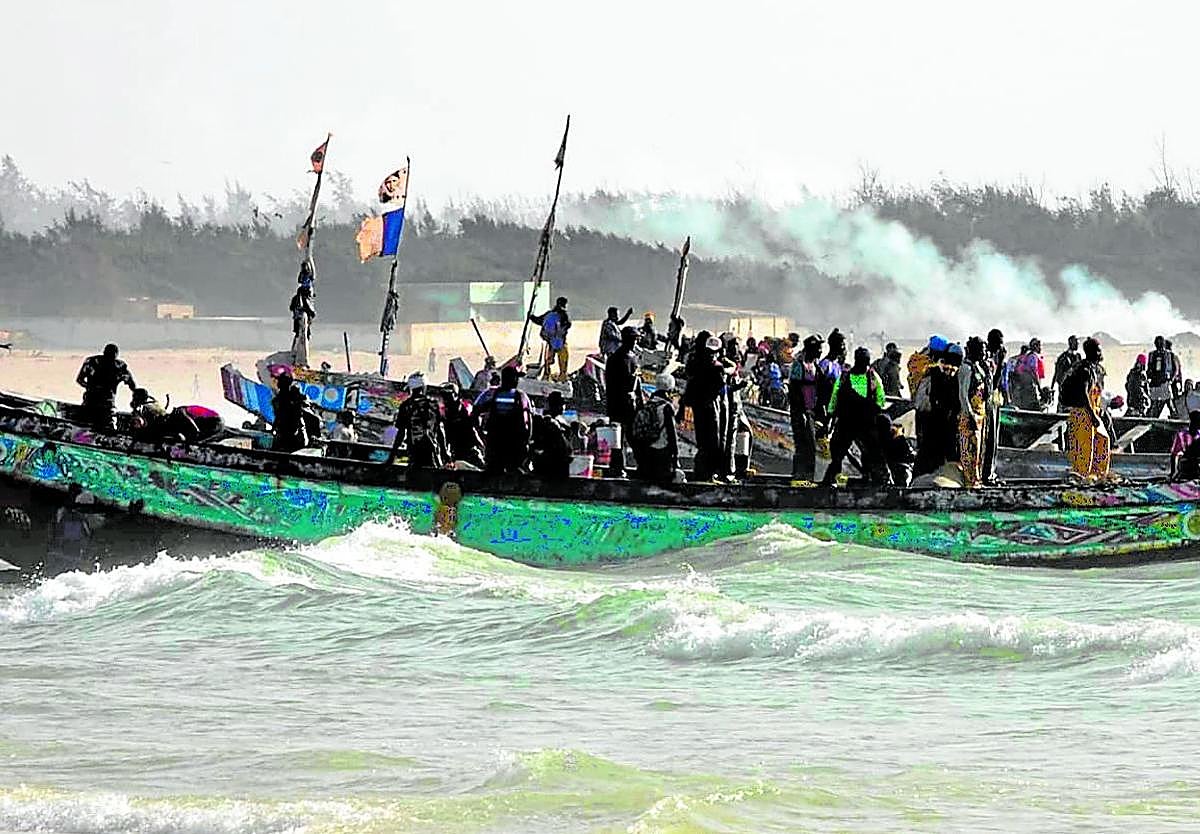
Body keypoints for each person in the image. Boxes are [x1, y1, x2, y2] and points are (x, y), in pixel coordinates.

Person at [821, 347, 886, 486]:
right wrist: (829, 419)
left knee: (870, 452)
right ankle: (830, 482)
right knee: (838, 453)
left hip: (864, 422)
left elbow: (880, 400)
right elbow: (834, 399)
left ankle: (871, 479)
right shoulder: (845, 377)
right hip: (847, 422)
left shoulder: (872, 377)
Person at [1059, 337, 1110, 481]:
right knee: (1084, 450)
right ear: (1093, 352)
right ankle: (1081, 477)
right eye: (1099, 351)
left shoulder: (1091, 368)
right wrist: (1092, 416)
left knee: (1103, 440)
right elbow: (1083, 393)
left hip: (1090, 411)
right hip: (1082, 413)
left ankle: (1098, 476)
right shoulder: (1085, 370)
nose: (1101, 353)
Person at [682, 332, 729, 481]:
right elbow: (722, 389)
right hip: (711, 405)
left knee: (702, 441)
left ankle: (701, 472)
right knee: (713, 440)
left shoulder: (694, 363)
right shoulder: (717, 367)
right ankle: (709, 473)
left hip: (698, 405)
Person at [475, 365, 533, 474]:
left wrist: (481, 433)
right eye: (516, 377)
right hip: (513, 447)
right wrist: (525, 443)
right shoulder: (521, 396)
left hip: (495, 445)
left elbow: (475, 411)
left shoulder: (491, 394)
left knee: (493, 474)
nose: (517, 380)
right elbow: (528, 424)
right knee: (513, 474)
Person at [390, 373, 449, 471]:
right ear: (424, 387)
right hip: (432, 450)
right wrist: (445, 452)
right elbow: (439, 431)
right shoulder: (433, 405)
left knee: (415, 476)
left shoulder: (406, 406)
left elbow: (401, 433)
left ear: (411, 389)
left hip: (414, 452)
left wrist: (392, 456)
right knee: (433, 476)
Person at [630, 373, 681, 484]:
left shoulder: (647, 405)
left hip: (647, 451)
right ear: (670, 390)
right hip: (663, 453)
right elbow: (672, 434)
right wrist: (675, 457)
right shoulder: (666, 407)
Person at [76, 343, 137, 431]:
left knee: (104, 428)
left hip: (105, 404)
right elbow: (80, 379)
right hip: (92, 402)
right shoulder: (93, 362)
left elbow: (132, 385)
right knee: (86, 426)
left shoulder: (119, 367)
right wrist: (91, 388)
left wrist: (137, 396)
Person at [958, 336, 992, 487]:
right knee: (969, 451)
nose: (985, 353)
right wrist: (970, 415)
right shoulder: (966, 369)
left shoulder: (978, 367)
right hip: (970, 416)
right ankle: (969, 482)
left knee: (979, 451)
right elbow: (963, 394)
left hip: (980, 415)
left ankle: (976, 480)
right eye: (982, 350)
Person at [788, 335, 823, 481]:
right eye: (818, 348)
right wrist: (800, 411)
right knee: (802, 444)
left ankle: (808, 477)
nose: (821, 351)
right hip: (800, 411)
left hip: (810, 411)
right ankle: (799, 476)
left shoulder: (816, 366)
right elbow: (794, 390)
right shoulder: (799, 365)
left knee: (811, 446)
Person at [604, 326, 641, 441]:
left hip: (624, 402)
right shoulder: (618, 359)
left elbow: (636, 381)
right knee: (620, 436)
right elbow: (612, 383)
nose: (636, 342)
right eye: (635, 339)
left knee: (626, 436)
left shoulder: (630, 357)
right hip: (621, 402)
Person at [441, 382, 485, 469]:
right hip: (455, 452)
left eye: (448, 395)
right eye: (444, 396)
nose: (446, 399)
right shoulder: (444, 412)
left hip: (470, 450)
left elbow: (473, 430)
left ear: (455, 395)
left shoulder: (465, 409)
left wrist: (481, 446)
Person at [530, 391, 573, 480]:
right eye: (561, 404)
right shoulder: (547, 422)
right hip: (551, 464)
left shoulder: (561, 422)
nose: (563, 407)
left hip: (560, 464)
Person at [983, 328, 1007, 482]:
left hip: (995, 401)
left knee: (994, 439)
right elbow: (993, 384)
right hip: (988, 402)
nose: (1001, 347)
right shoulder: (987, 359)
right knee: (990, 439)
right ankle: (987, 474)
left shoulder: (994, 357)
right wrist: (1001, 363)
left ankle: (991, 472)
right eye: (999, 343)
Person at [529, 296, 572, 381]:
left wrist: (531, 317)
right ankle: (562, 377)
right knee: (563, 361)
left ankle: (547, 376)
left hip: (550, 342)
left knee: (548, 361)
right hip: (561, 342)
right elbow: (568, 325)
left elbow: (539, 320)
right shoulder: (563, 315)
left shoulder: (549, 314)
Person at [271, 370, 310, 453]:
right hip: (287, 436)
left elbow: (295, 416)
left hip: (293, 437)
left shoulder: (293, 399)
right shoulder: (279, 400)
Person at [878, 414, 916, 488]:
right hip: (900, 468)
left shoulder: (880, 440)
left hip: (897, 469)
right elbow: (909, 456)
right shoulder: (898, 439)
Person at [1147, 336, 1177, 418]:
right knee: (1154, 403)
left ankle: (1174, 416)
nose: (1159, 345)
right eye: (1158, 343)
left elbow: (1175, 369)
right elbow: (1149, 369)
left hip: (1165, 382)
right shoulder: (1152, 355)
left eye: (1161, 343)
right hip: (1154, 383)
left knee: (1168, 401)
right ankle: (1152, 417)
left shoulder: (1169, 355)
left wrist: (1171, 380)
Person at [1051, 336, 1082, 411]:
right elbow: (1057, 372)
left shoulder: (1078, 356)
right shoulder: (1063, 357)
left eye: (1078, 343)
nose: (1077, 345)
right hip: (1065, 387)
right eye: (1075, 343)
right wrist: (1052, 387)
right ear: (1070, 343)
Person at [289, 285, 316, 367]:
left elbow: (291, 308)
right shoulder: (303, 299)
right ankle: (301, 361)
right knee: (302, 338)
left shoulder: (297, 299)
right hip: (302, 322)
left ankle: (295, 357)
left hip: (300, 322)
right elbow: (311, 311)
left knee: (299, 338)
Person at [1170, 410, 1200, 481]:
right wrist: (1173, 472)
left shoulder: (1199, 436)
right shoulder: (1181, 435)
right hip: (1186, 468)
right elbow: (1173, 455)